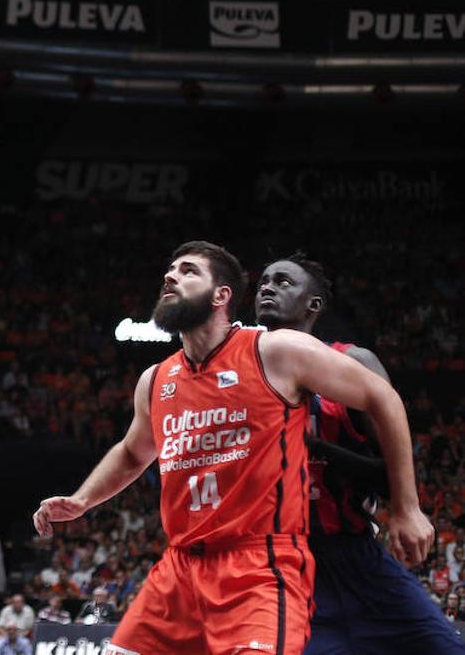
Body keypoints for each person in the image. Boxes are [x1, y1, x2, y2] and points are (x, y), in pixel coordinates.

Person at [33, 240, 433, 655]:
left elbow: (383, 398)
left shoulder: (274, 351)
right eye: (170, 271)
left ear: (222, 295)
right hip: (178, 569)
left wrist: (407, 507)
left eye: (188, 271)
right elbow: (134, 452)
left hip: (257, 564)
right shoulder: (156, 378)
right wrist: (82, 500)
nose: (171, 276)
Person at [254, 253, 465, 654]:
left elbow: (390, 473)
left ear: (312, 304)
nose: (267, 286)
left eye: (283, 282)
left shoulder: (352, 362)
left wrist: (407, 507)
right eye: (264, 280)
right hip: (284, 564)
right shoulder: (239, 373)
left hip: (357, 555)